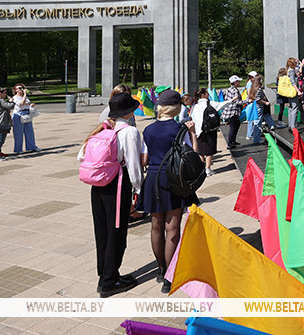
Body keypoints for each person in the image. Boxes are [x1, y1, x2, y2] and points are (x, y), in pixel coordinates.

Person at [79, 93, 143, 298]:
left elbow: (81, 155)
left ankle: (107, 274)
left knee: (103, 232)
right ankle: (109, 282)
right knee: (117, 232)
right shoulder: (130, 132)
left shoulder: (105, 129)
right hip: (117, 184)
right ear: (130, 112)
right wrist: (138, 188)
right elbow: (133, 165)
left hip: (98, 186)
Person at [139, 90, 197, 293]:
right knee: (172, 227)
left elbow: (144, 160)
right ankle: (169, 277)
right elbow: (193, 155)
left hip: (153, 178)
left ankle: (160, 269)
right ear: (176, 107)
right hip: (173, 179)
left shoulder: (147, 130)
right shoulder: (180, 129)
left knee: (156, 226)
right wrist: (192, 133)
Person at [191, 88, 231, 176]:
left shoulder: (195, 105)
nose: (208, 95)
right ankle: (208, 169)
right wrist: (232, 100)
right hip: (209, 130)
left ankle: (201, 168)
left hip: (198, 130)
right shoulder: (209, 103)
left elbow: (192, 117)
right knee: (209, 151)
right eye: (207, 93)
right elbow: (222, 105)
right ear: (203, 95)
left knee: (201, 151)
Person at [11, 84, 40, 153]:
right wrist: (24, 95)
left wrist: (30, 105)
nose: (21, 89)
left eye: (22, 88)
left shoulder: (25, 97)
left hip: (27, 114)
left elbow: (26, 103)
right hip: (18, 114)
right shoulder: (15, 98)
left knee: (29, 131)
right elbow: (21, 104)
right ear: (15, 90)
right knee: (18, 133)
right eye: (19, 88)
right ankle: (18, 149)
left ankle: (31, 147)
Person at [0, 87, 14, 162]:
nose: (5, 94)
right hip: (0, 123)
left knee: (0, 140)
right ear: (0, 93)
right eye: (5, 92)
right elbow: (10, 106)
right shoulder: (0, 101)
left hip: (0, 123)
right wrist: (11, 101)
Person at [247, 76, 270, 145]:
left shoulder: (252, 88)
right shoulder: (259, 89)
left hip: (254, 107)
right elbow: (258, 99)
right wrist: (265, 102)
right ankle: (256, 139)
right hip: (259, 107)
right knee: (258, 123)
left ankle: (252, 136)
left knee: (254, 122)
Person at [223, 75, 244, 148]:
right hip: (233, 111)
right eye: (238, 81)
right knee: (233, 126)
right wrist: (247, 101)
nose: (239, 82)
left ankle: (233, 141)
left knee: (236, 124)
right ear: (235, 82)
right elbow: (237, 102)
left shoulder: (229, 89)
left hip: (229, 110)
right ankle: (230, 143)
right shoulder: (235, 91)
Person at [285, 58, 304, 129]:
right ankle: (293, 126)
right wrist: (298, 91)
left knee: (291, 107)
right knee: (295, 107)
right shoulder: (292, 71)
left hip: (289, 91)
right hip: (293, 91)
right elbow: (293, 82)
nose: (297, 64)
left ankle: (291, 124)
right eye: (295, 63)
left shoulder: (288, 70)